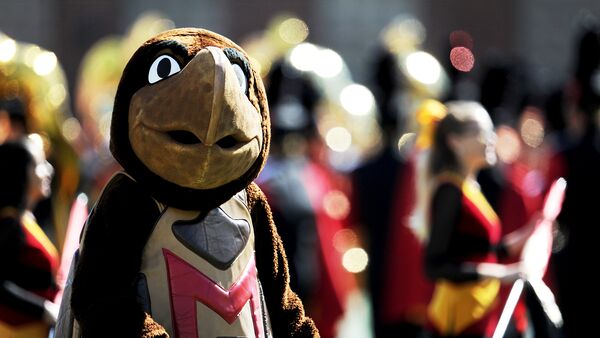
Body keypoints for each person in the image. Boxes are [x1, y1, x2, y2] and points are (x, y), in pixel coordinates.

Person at [423, 101, 534, 338]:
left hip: (478, 315)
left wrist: (526, 236)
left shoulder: (469, 187)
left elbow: (476, 250)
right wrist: (501, 273)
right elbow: (436, 266)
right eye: (482, 132)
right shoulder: (449, 191)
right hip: (457, 323)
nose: (492, 138)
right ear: (455, 142)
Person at [0, 136, 60, 338]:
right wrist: (43, 309)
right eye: (40, 164)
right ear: (22, 173)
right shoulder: (9, 224)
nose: (49, 170)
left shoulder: (25, 218)